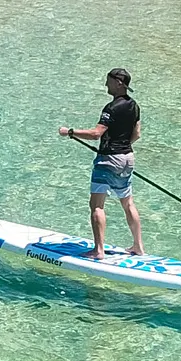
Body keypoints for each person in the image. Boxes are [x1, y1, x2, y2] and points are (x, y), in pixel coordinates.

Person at [59, 68, 143, 260]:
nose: (106, 85)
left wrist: (70, 132)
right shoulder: (135, 106)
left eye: (109, 81)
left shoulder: (111, 108)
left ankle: (99, 251)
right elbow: (136, 134)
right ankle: (138, 246)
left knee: (96, 205)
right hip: (127, 158)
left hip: (108, 160)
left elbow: (96, 133)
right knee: (128, 202)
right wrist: (121, 147)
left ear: (119, 83)